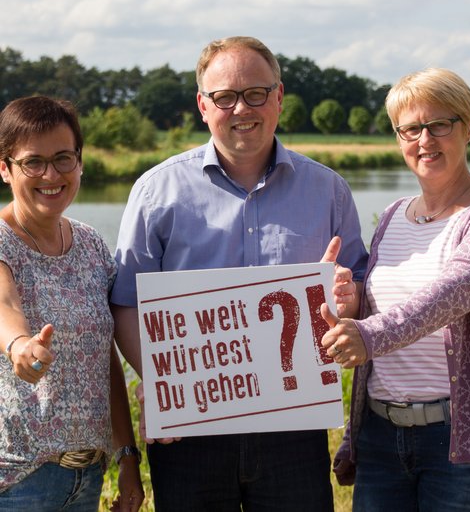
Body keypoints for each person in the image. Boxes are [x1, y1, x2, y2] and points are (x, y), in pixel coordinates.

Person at [111, 35, 367, 511]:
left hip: (294, 426)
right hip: (191, 432)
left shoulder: (329, 191)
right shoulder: (155, 192)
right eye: (224, 97)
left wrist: (347, 302)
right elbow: (127, 302)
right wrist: (168, 385)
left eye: (255, 93)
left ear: (279, 98)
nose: (241, 108)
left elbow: (359, 293)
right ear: (203, 106)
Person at [321, 68, 470, 512]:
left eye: (440, 124)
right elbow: (385, 303)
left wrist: (370, 335)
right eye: (411, 128)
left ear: (469, 127)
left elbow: (449, 295)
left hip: (468, 442)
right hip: (381, 438)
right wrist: (350, 300)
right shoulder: (395, 215)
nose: (425, 140)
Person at [0, 96, 144, 511]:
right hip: (16, 482)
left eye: (63, 158)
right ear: (5, 168)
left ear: (80, 162)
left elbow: (105, 361)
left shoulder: (92, 246)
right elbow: (4, 303)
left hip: (87, 478)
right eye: (33, 162)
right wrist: (19, 346)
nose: (51, 174)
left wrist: (127, 457)